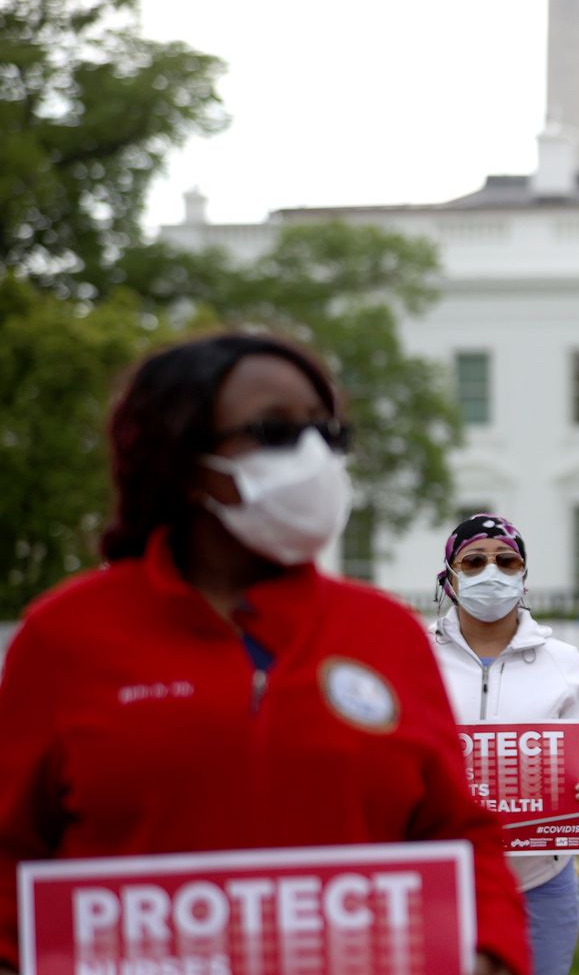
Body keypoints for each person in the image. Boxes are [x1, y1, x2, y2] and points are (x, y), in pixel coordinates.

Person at [0, 333, 530, 974]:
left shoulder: (385, 632)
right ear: (183, 454)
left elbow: (459, 834)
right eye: (275, 431)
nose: (312, 456)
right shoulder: (65, 636)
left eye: (327, 434)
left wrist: (489, 950)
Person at [430, 513, 579, 975]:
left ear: (524, 576)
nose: (490, 571)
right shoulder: (417, 653)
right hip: (443, 883)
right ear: (451, 577)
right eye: (473, 561)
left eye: (506, 561)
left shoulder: (562, 661)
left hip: (540, 883)